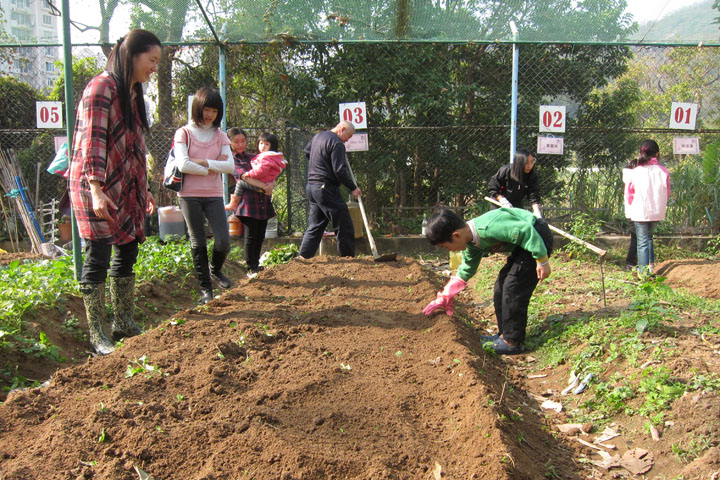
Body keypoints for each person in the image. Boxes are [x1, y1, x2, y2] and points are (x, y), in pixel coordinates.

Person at [68, 29, 161, 355]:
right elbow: (92, 140)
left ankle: (123, 322)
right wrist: (95, 189)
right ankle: (97, 334)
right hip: (97, 185)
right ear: (131, 55)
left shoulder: (132, 93)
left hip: (126, 187)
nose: (154, 68)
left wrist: (145, 189)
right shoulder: (101, 88)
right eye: (151, 60)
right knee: (98, 255)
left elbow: (135, 146)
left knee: (127, 251)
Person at [422, 207, 553, 355]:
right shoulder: (471, 243)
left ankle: (512, 341)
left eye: (446, 246)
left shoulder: (488, 228)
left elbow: (525, 231)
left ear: (456, 235)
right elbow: (467, 269)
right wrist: (445, 295)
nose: (450, 251)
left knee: (513, 287)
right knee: (500, 286)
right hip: (524, 244)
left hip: (537, 236)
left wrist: (542, 261)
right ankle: (504, 334)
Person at [173, 87, 234, 303]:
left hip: (214, 194)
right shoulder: (184, 133)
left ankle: (215, 270)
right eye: (206, 109)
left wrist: (203, 163)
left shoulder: (220, 136)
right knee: (197, 241)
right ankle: (206, 290)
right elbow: (182, 164)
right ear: (197, 108)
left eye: (214, 111)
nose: (209, 115)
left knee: (223, 240)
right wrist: (208, 169)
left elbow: (230, 166)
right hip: (188, 194)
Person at [298, 121, 362, 259]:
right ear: (342, 129)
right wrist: (353, 188)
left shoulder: (318, 137)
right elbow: (339, 171)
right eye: (349, 136)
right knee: (344, 223)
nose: (348, 140)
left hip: (312, 187)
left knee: (316, 225)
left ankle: (302, 257)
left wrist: (321, 162)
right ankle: (347, 259)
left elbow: (307, 151)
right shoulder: (337, 143)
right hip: (326, 188)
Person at [225, 128, 278, 278]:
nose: (241, 144)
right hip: (247, 202)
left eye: (243, 141)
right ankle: (250, 266)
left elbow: (269, 171)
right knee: (251, 235)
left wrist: (271, 184)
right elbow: (243, 177)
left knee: (260, 234)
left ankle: (256, 264)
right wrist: (264, 187)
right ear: (230, 143)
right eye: (236, 141)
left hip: (262, 201)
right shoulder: (231, 159)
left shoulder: (253, 157)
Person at [623, 140, 670, 277]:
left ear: (640, 153)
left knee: (642, 241)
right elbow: (667, 192)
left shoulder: (636, 172)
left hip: (640, 211)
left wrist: (632, 209)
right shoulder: (663, 171)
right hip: (656, 211)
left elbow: (629, 194)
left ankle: (643, 273)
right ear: (657, 153)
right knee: (649, 238)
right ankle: (650, 266)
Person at [488, 148, 543, 218]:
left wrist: (536, 211)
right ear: (519, 162)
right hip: (499, 203)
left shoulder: (532, 176)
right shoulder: (506, 170)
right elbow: (493, 186)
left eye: (532, 162)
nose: (530, 166)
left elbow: (534, 195)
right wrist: (503, 200)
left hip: (516, 204)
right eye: (526, 163)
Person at [623, 157, 638, 270]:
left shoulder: (629, 178)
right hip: (636, 213)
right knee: (637, 239)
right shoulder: (633, 179)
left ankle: (632, 261)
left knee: (636, 238)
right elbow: (631, 198)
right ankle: (630, 262)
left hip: (632, 213)